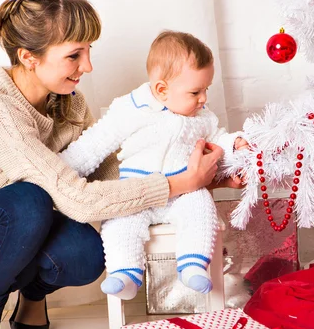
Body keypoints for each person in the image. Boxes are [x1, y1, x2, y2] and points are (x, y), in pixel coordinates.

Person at [0, 0, 242, 329]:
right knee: (30, 199)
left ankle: (33, 295)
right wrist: (180, 184)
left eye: (89, 50)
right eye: (74, 55)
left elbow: (113, 176)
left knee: (86, 252)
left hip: (3, 244)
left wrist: (202, 180)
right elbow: (77, 198)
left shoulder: (67, 102)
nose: (88, 66)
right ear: (29, 57)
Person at [60, 31, 249, 300]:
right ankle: (124, 273)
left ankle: (193, 265)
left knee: (201, 210)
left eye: (206, 89)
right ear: (162, 89)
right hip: (139, 189)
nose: (204, 98)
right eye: (196, 91)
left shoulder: (201, 116)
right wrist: (63, 168)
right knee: (119, 222)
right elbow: (95, 143)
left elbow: (218, 139)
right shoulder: (131, 109)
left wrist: (236, 143)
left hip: (186, 191)